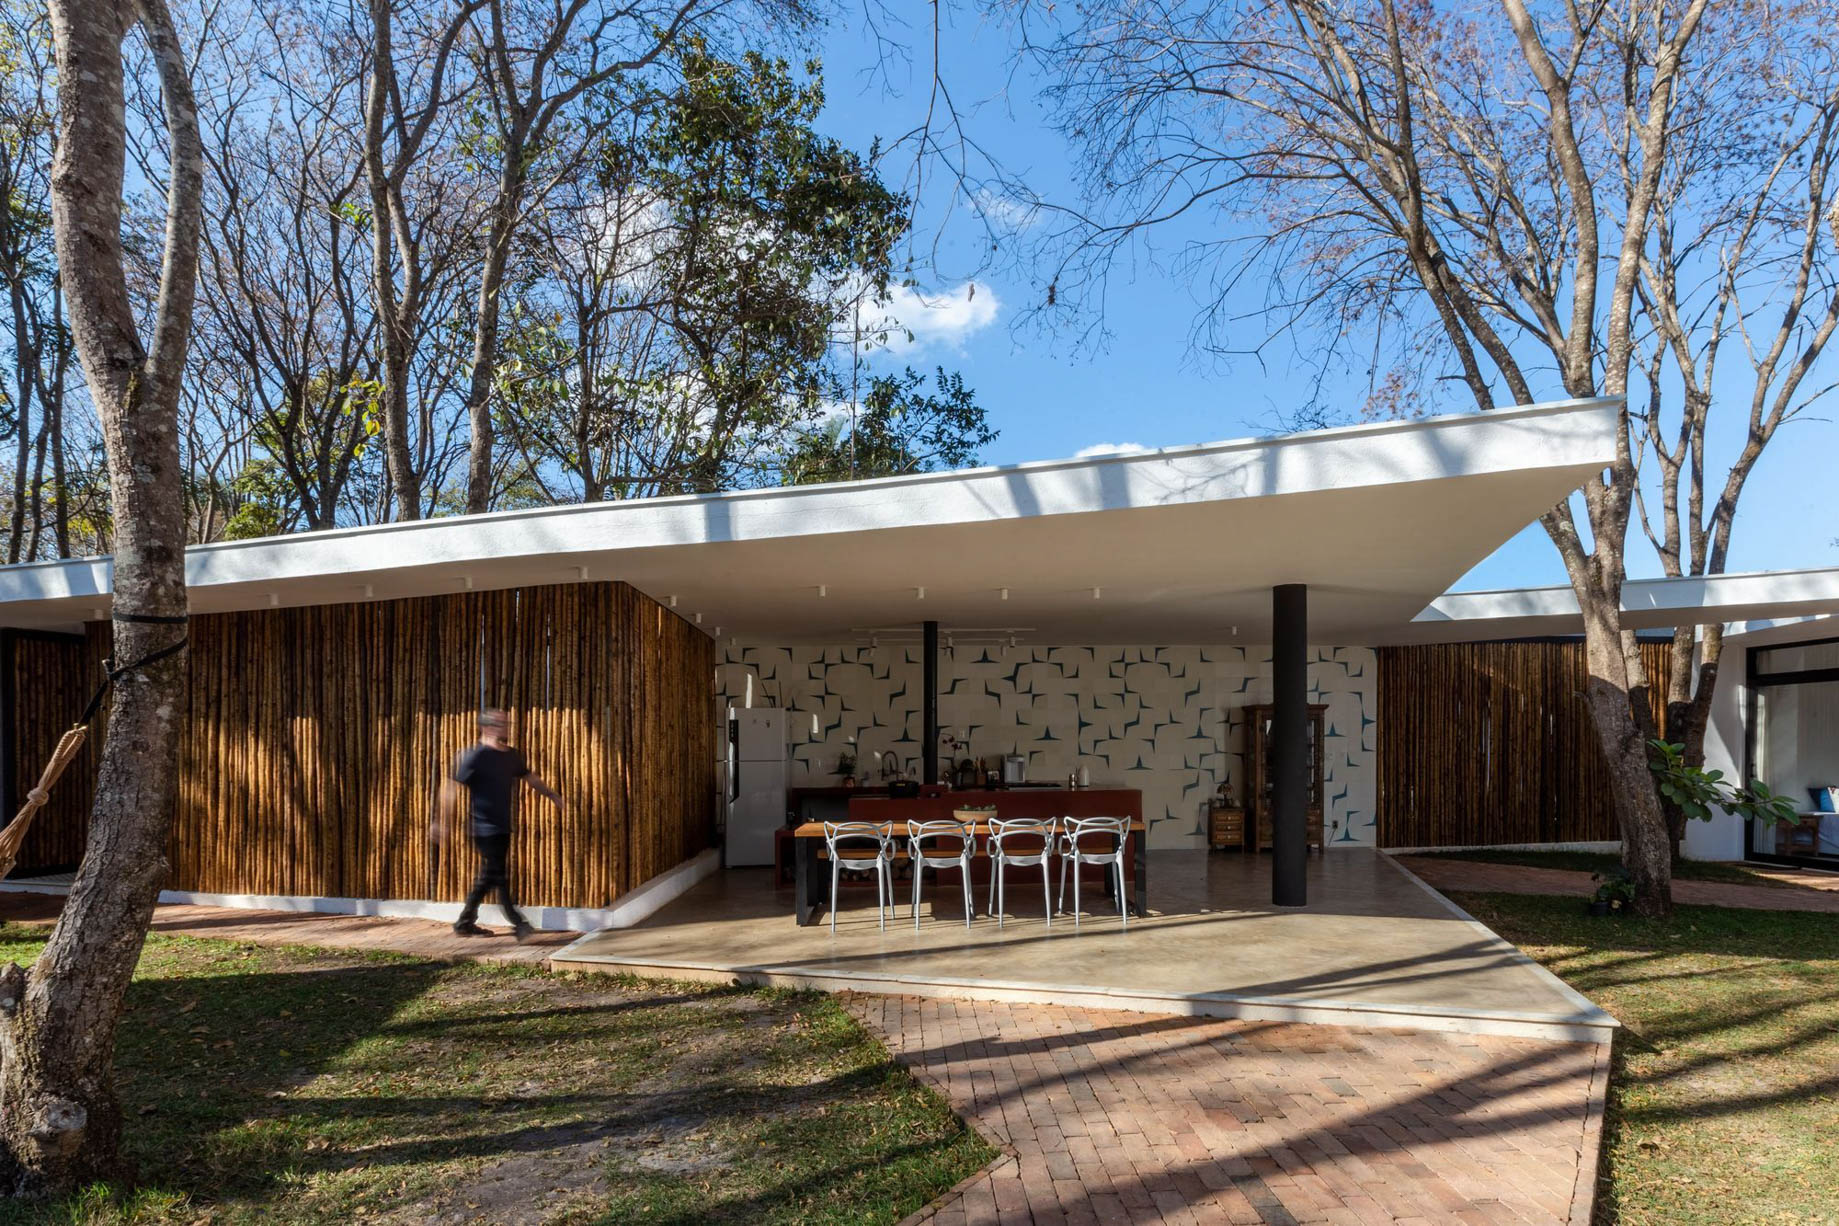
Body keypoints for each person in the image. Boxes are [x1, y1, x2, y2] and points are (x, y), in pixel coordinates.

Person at [443, 708, 563, 941]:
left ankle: (464, 921)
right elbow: (450, 787)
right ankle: (519, 923)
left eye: (506, 723)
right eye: (501, 723)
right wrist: (441, 821)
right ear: (487, 727)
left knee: (489, 876)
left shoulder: (511, 755)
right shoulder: (474, 756)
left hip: (503, 827)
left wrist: (552, 795)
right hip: (483, 828)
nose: (506, 727)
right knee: (498, 875)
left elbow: (530, 777)